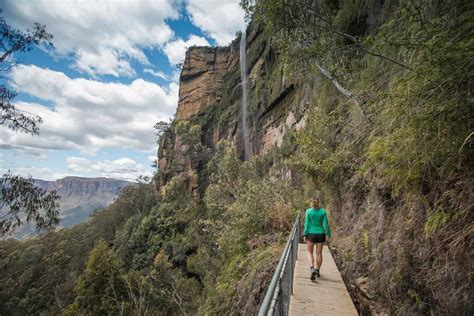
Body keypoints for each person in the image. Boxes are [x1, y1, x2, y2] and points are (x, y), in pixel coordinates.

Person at [303, 196, 331, 280]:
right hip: (321, 234)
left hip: (311, 234)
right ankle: (317, 270)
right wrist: (328, 234)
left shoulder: (308, 211)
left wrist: (305, 234)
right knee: (319, 253)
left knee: (309, 252)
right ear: (318, 203)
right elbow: (326, 224)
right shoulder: (322, 211)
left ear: (311, 203)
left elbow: (306, 224)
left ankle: (312, 269)